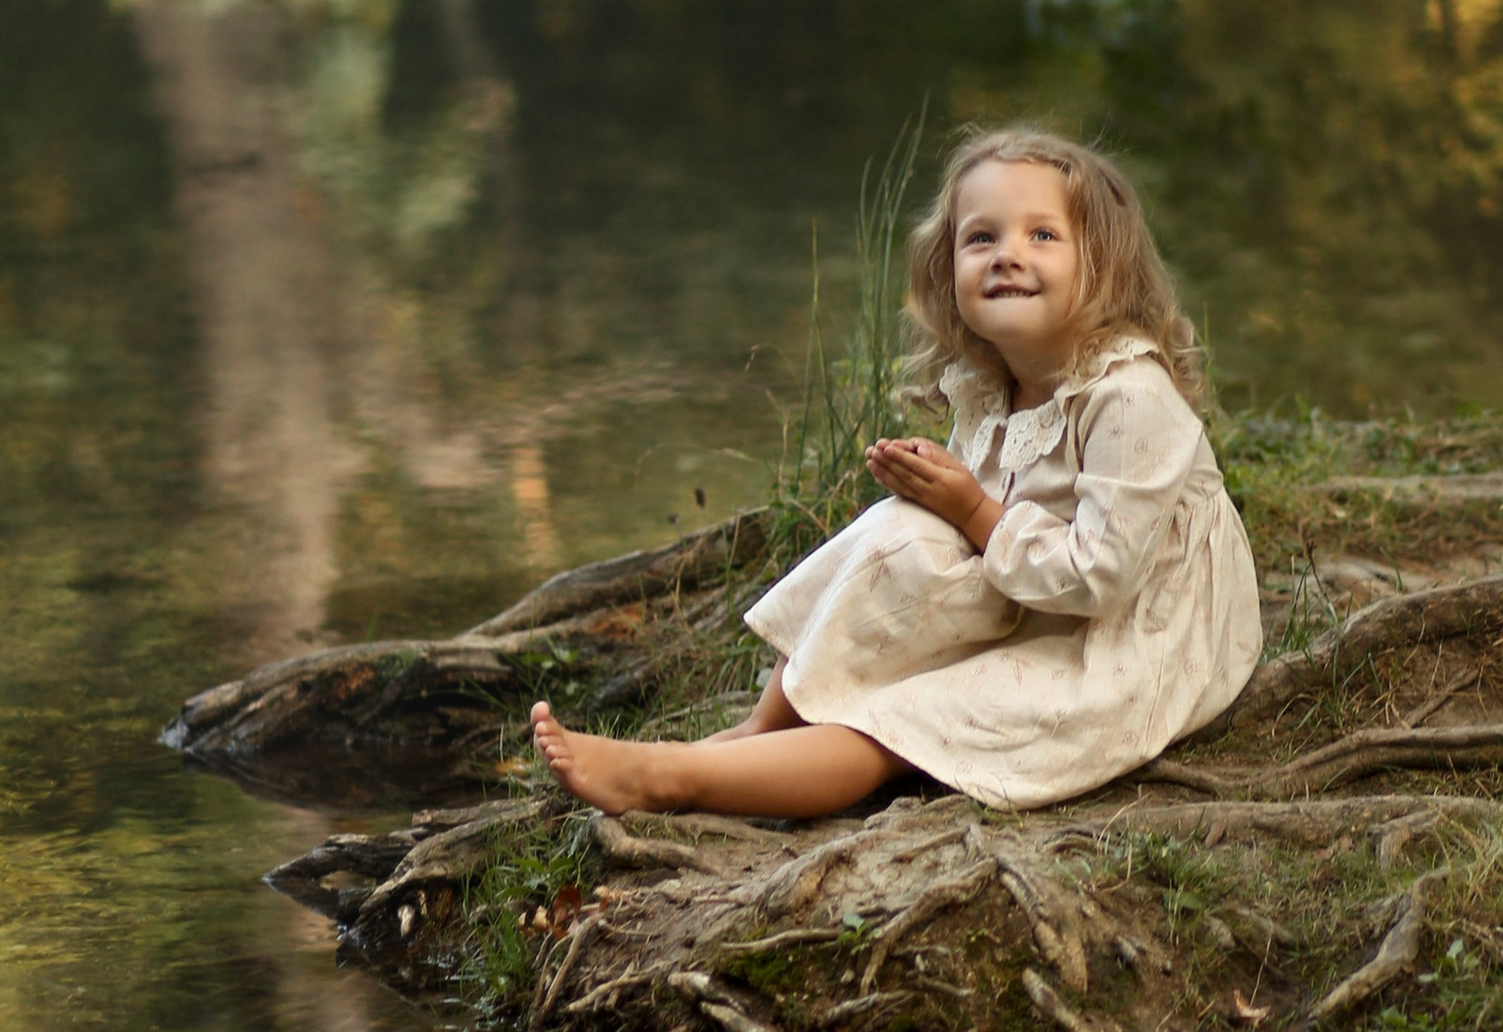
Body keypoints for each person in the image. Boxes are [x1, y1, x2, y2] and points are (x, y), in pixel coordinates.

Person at [530, 124, 1261, 818]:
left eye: (1042, 235)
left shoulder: (1130, 397)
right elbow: (988, 530)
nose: (1008, 254)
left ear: (1100, 265)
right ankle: (756, 735)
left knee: (903, 721)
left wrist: (973, 510)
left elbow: (1102, 578)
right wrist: (947, 506)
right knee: (895, 534)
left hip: (1130, 643)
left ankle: (671, 781)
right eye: (982, 238)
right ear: (948, 269)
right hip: (1040, 592)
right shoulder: (989, 386)